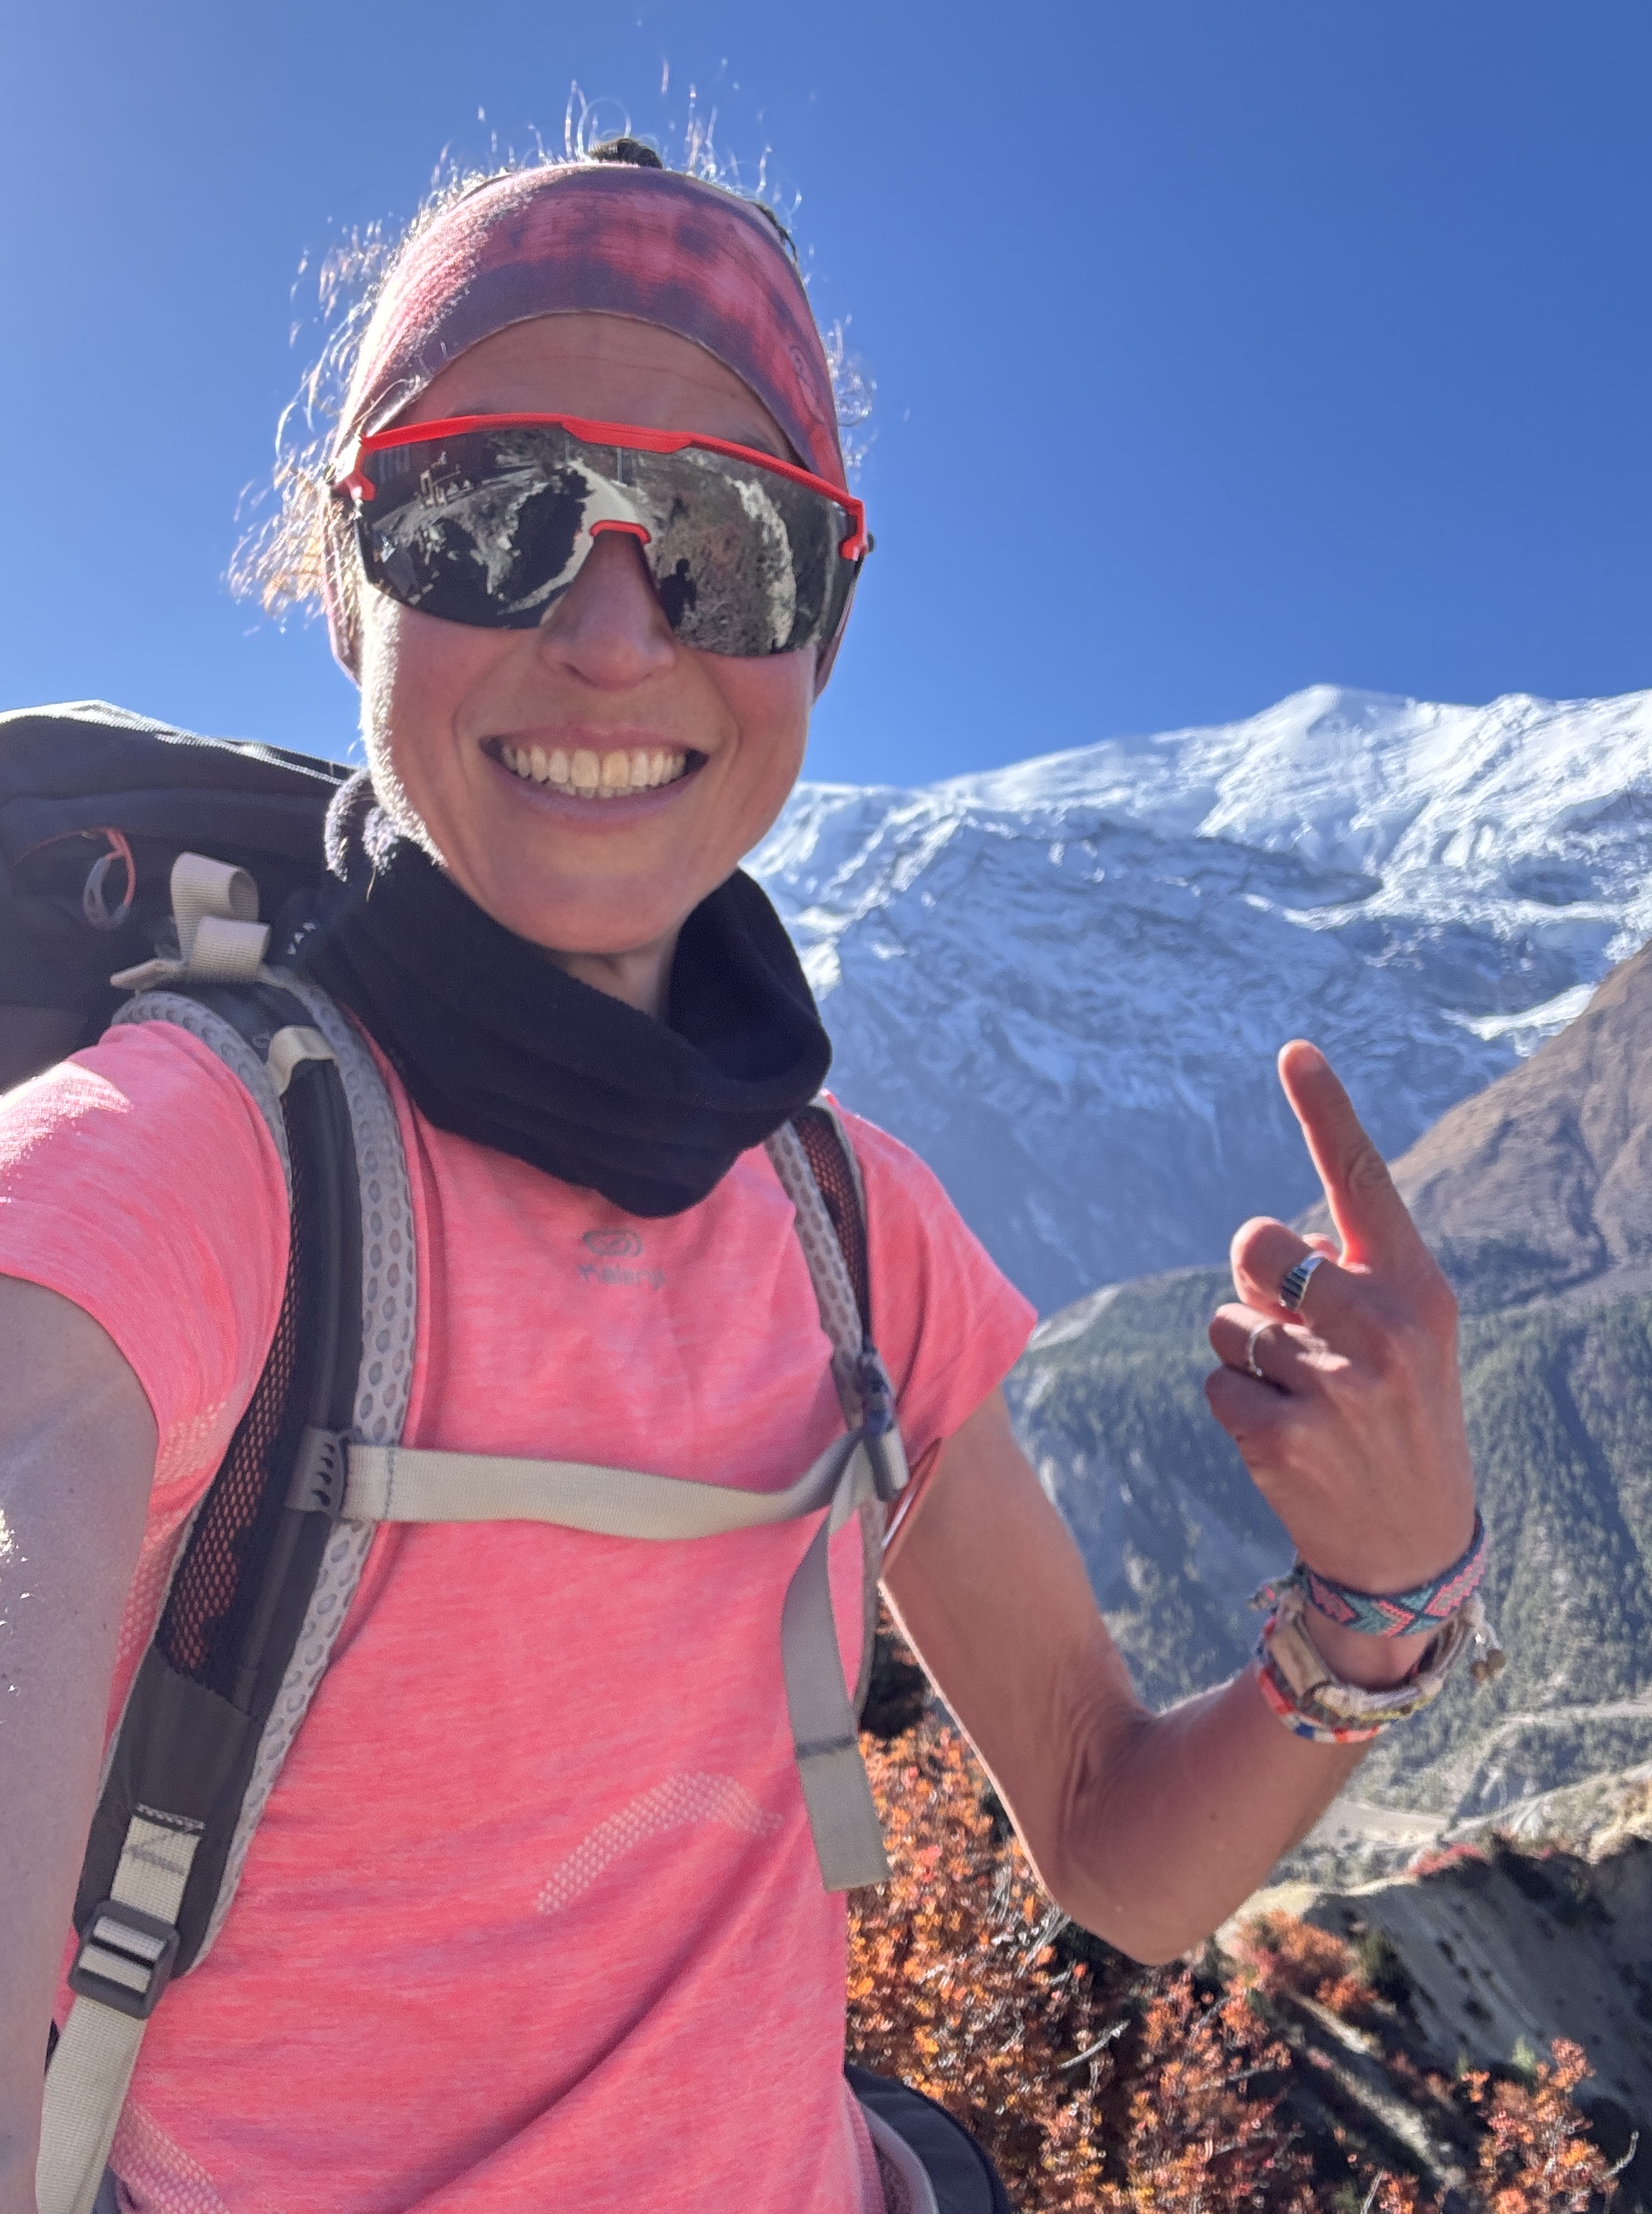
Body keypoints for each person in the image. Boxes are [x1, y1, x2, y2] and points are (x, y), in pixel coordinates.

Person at [0, 143, 1489, 2214]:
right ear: (348, 579)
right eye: (487, 513)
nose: (615, 636)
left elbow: (1112, 1845)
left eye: (725, 541)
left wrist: (1382, 1603)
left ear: (826, 620)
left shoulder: (852, 1228)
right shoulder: (179, 1171)